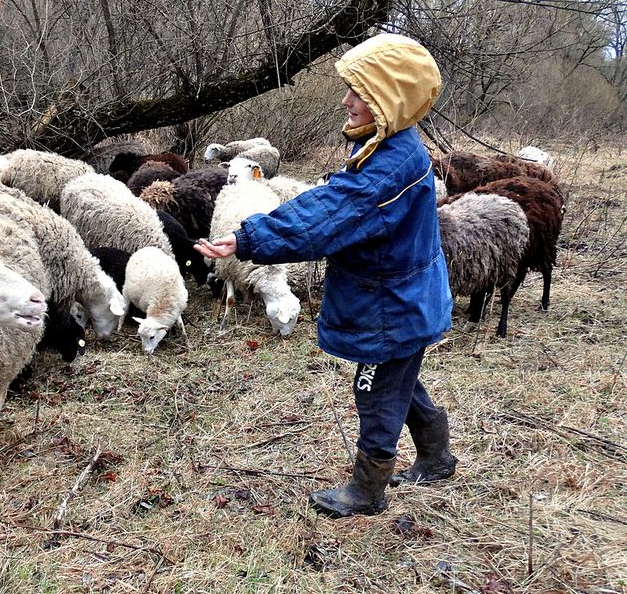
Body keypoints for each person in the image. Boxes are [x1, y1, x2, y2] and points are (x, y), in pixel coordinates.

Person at [196, 33, 457, 518]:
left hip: (392, 305)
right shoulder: (390, 145)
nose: (346, 100)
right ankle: (436, 455)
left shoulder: (387, 169)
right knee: (399, 378)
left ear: (389, 99)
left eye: (360, 92)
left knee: (375, 387)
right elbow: (334, 200)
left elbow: (327, 213)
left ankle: (368, 490)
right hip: (406, 296)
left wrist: (249, 239)